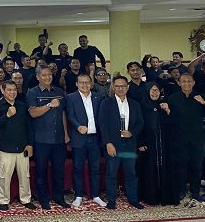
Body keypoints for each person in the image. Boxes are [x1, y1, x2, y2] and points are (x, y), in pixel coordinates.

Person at [98, 76, 144, 210]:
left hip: (129, 144)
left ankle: (133, 199)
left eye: (123, 86)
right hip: (113, 144)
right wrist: (108, 143)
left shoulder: (134, 104)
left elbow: (140, 123)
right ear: (113, 87)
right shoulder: (106, 103)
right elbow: (102, 124)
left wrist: (132, 132)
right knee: (111, 173)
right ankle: (111, 200)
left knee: (131, 173)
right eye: (117, 86)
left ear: (127, 87)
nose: (120, 88)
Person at [27, 66, 70, 209]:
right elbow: (33, 113)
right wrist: (50, 105)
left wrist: (66, 133)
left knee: (59, 170)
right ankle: (43, 198)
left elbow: (62, 113)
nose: (47, 77)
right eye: (44, 75)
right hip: (41, 140)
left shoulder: (59, 91)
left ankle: (59, 197)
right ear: (38, 77)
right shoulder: (32, 92)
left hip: (58, 139)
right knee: (41, 171)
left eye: (49, 75)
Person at [0, 81, 35, 210]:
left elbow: (29, 126)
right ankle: (3, 201)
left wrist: (30, 144)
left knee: (25, 176)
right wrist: (7, 115)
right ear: (3, 91)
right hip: (5, 148)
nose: (12, 92)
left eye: (14, 90)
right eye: (9, 90)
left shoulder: (22, 105)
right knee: (4, 176)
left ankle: (26, 199)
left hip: (22, 147)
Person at [65, 74, 106, 208]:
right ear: (77, 84)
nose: (84, 85)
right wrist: (78, 126)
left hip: (95, 138)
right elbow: (70, 115)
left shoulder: (98, 97)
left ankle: (96, 195)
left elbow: (102, 116)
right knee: (78, 168)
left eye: (87, 82)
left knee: (95, 168)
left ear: (91, 83)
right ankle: (78, 195)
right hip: (79, 138)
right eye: (81, 82)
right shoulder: (71, 98)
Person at [166, 73, 205, 201]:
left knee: (197, 165)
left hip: (197, 138)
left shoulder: (200, 97)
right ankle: (181, 190)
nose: (187, 84)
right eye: (183, 81)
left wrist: (204, 103)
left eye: (189, 81)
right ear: (179, 83)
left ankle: (195, 191)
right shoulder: (173, 98)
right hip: (179, 138)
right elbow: (170, 119)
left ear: (194, 83)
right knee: (181, 165)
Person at [138, 84, 179, 206]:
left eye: (157, 90)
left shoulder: (163, 106)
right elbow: (138, 125)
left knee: (165, 168)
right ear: (147, 91)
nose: (155, 93)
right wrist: (141, 142)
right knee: (150, 169)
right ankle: (152, 197)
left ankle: (165, 196)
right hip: (149, 144)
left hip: (164, 144)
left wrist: (168, 111)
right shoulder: (142, 106)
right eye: (152, 90)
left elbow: (174, 124)